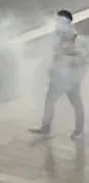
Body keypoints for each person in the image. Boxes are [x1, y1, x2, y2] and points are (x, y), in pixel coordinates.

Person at [31, 10, 88, 139]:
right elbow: (56, 55)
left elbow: (83, 59)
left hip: (71, 79)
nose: (57, 23)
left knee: (76, 103)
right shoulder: (59, 35)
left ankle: (79, 131)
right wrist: (51, 69)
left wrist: (74, 72)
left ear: (67, 22)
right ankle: (46, 128)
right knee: (49, 100)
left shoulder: (75, 38)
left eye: (60, 20)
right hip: (58, 76)